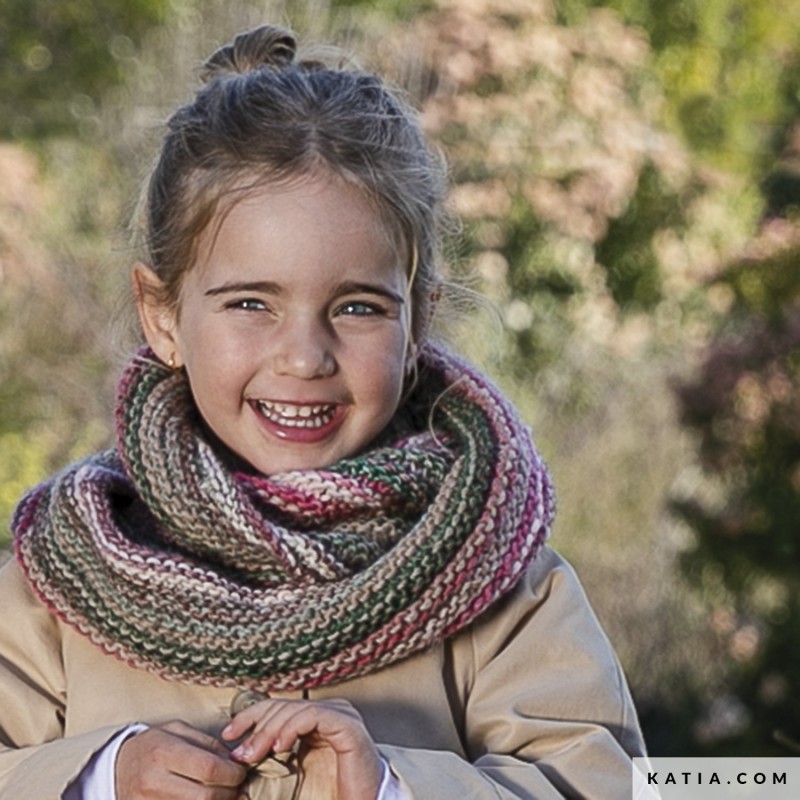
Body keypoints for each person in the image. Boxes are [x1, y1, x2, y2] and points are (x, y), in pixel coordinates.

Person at [0, 23, 649, 800]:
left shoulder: (505, 585)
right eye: (251, 303)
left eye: (357, 307)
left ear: (418, 320)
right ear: (163, 315)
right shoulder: (59, 585)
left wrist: (391, 786)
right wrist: (100, 778)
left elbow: (606, 784)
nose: (305, 356)